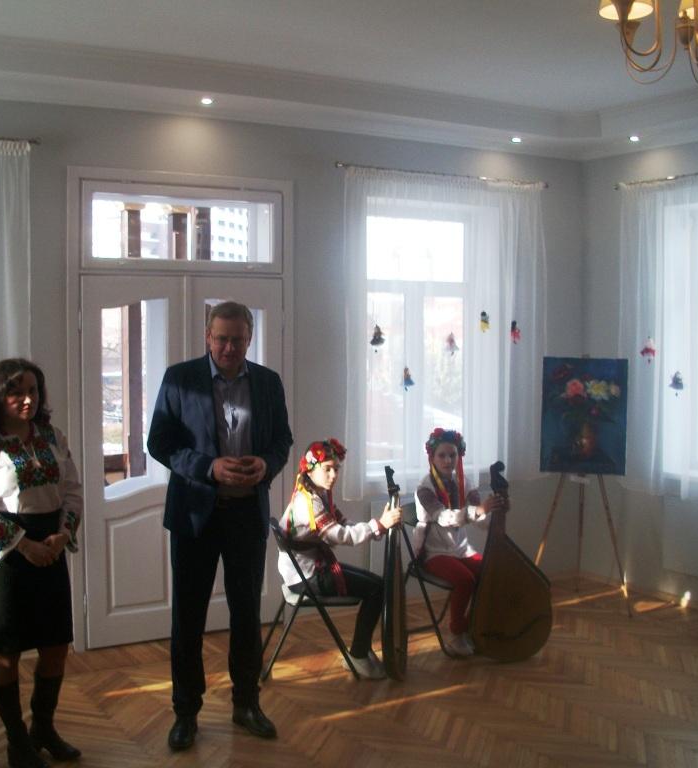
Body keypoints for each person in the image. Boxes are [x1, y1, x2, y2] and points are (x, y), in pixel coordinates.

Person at [147, 301, 293, 751]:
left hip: (246, 515)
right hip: (194, 516)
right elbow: (159, 443)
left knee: (247, 614)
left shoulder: (268, 382)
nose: (229, 347)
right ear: (208, 337)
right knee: (187, 616)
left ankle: (246, 703)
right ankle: (185, 712)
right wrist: (208, 468)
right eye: (222, 339)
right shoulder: (180, 378)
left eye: (238, 339)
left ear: (250, 338)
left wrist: (265, 464)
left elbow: (282, 440)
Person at [0, 359, 82, 768]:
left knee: (56, 645)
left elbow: (72, 490)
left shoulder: (52, 436)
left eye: (33, 390)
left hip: (50, 544)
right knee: (6, 650)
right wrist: (24, 546)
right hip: (5, 556)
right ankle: (17, 742)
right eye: (16, 392)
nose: (28, 400)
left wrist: (62, 534)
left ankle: (43, 728)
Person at [277, 438, 401, 679]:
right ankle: (358, 655)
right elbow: (341, 536)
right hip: (306, 577)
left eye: (336, 469)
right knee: (376, 590)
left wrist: (378, 527)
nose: (333, 475)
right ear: (309, 470)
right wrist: (378, 525)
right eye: (327, 469)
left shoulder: (316, 494)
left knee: (377, 585)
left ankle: (361, 650)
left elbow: (343, 524)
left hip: (310, 570)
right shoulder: (309, 503)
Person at [413, 428, 507, 656]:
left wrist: (495, 511)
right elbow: (444, 518)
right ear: (432, 457)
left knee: (493, 572)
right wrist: (479, 510)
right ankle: (457, 634)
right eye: (442, 455)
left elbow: (479, 520)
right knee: (465, 580)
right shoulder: (425, 488)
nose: (448, 460)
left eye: (452, 455)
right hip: (433, 553)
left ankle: (477, 624)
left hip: (461, 550)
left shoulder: (465, 482)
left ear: (459, 455)